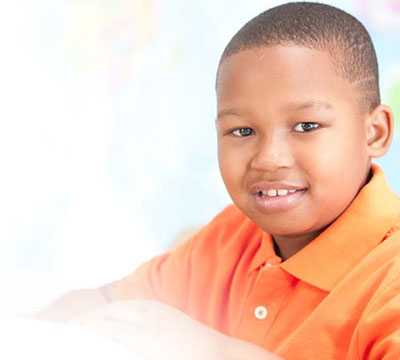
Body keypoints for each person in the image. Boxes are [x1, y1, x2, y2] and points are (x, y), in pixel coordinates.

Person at [37, 2, 400, 359]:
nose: (269, 159)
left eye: (306, 126)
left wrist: (214, 351)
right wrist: (33, 331)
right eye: (242, 130)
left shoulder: (391, 275)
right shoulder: (230, 237)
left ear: (375, 133)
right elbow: (108, 305)